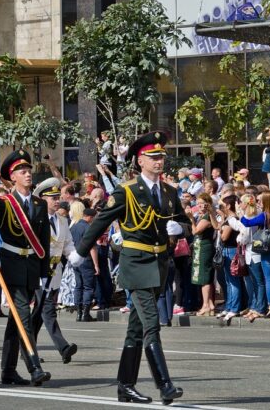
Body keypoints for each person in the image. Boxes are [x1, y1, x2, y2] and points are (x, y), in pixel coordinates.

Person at [76, 131, 188, 405]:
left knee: (136, 330)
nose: (159, 161)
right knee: (152, 324)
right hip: (136, 265)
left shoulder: (170, 192)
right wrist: (80, 253)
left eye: (161, 156)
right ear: (140, 161)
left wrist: (180, 228)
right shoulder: (127, 191)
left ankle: (125, 386)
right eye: (153, 157)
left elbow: (185, 223)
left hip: (159, 264)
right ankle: (165, 385)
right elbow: (102, 220)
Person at [0, 149, 51, 387]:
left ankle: (8, 371)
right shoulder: (2, 204)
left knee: (15, 322)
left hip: (31, 267)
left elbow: (43, 241)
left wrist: (44, 273)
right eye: (22, 171)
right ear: (13, 177)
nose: (28, 174)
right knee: (23, 316)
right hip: (10, 266)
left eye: (29, 170)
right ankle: (34, 367)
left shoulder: (39, 204)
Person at [30, 178, 79, 365]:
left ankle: (27, 347)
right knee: (48, 310)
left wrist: (75, 256)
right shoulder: (36, 218)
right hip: (39, 270)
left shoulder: (62, 220)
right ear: (42, 199)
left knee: (39, 313)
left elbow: (67, 244)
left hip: (55, 271)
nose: (57, 200)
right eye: (52, 197)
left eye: (58, 197)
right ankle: (63, 347)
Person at [240, 191, 270, 318]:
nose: (259, 203)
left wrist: (241, 213)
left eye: (261, 201)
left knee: (269, 278)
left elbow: (247, 223)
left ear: (266, 202)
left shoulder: (265, 215)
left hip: (267, 250)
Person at [188, 193, 218, 316]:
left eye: (202, 203)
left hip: (205, 248)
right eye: (198, 203)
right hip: (201, 247)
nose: (199, 206)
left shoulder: (207, 217)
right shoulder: (204, 216)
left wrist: (190, 219)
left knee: (204, 277)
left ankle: (205, 304)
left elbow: (196, 231)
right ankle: (210, 303)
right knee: (206, 276)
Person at [70, 208, 98, 322]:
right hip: (86, 259)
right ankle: (85, 314)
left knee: (78, 285)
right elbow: (92, 247)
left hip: (75, 258)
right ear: (90, 217)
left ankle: (79, 313)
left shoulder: (74, 227)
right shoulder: (89, 228)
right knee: (88, 287)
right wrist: (96, 264)